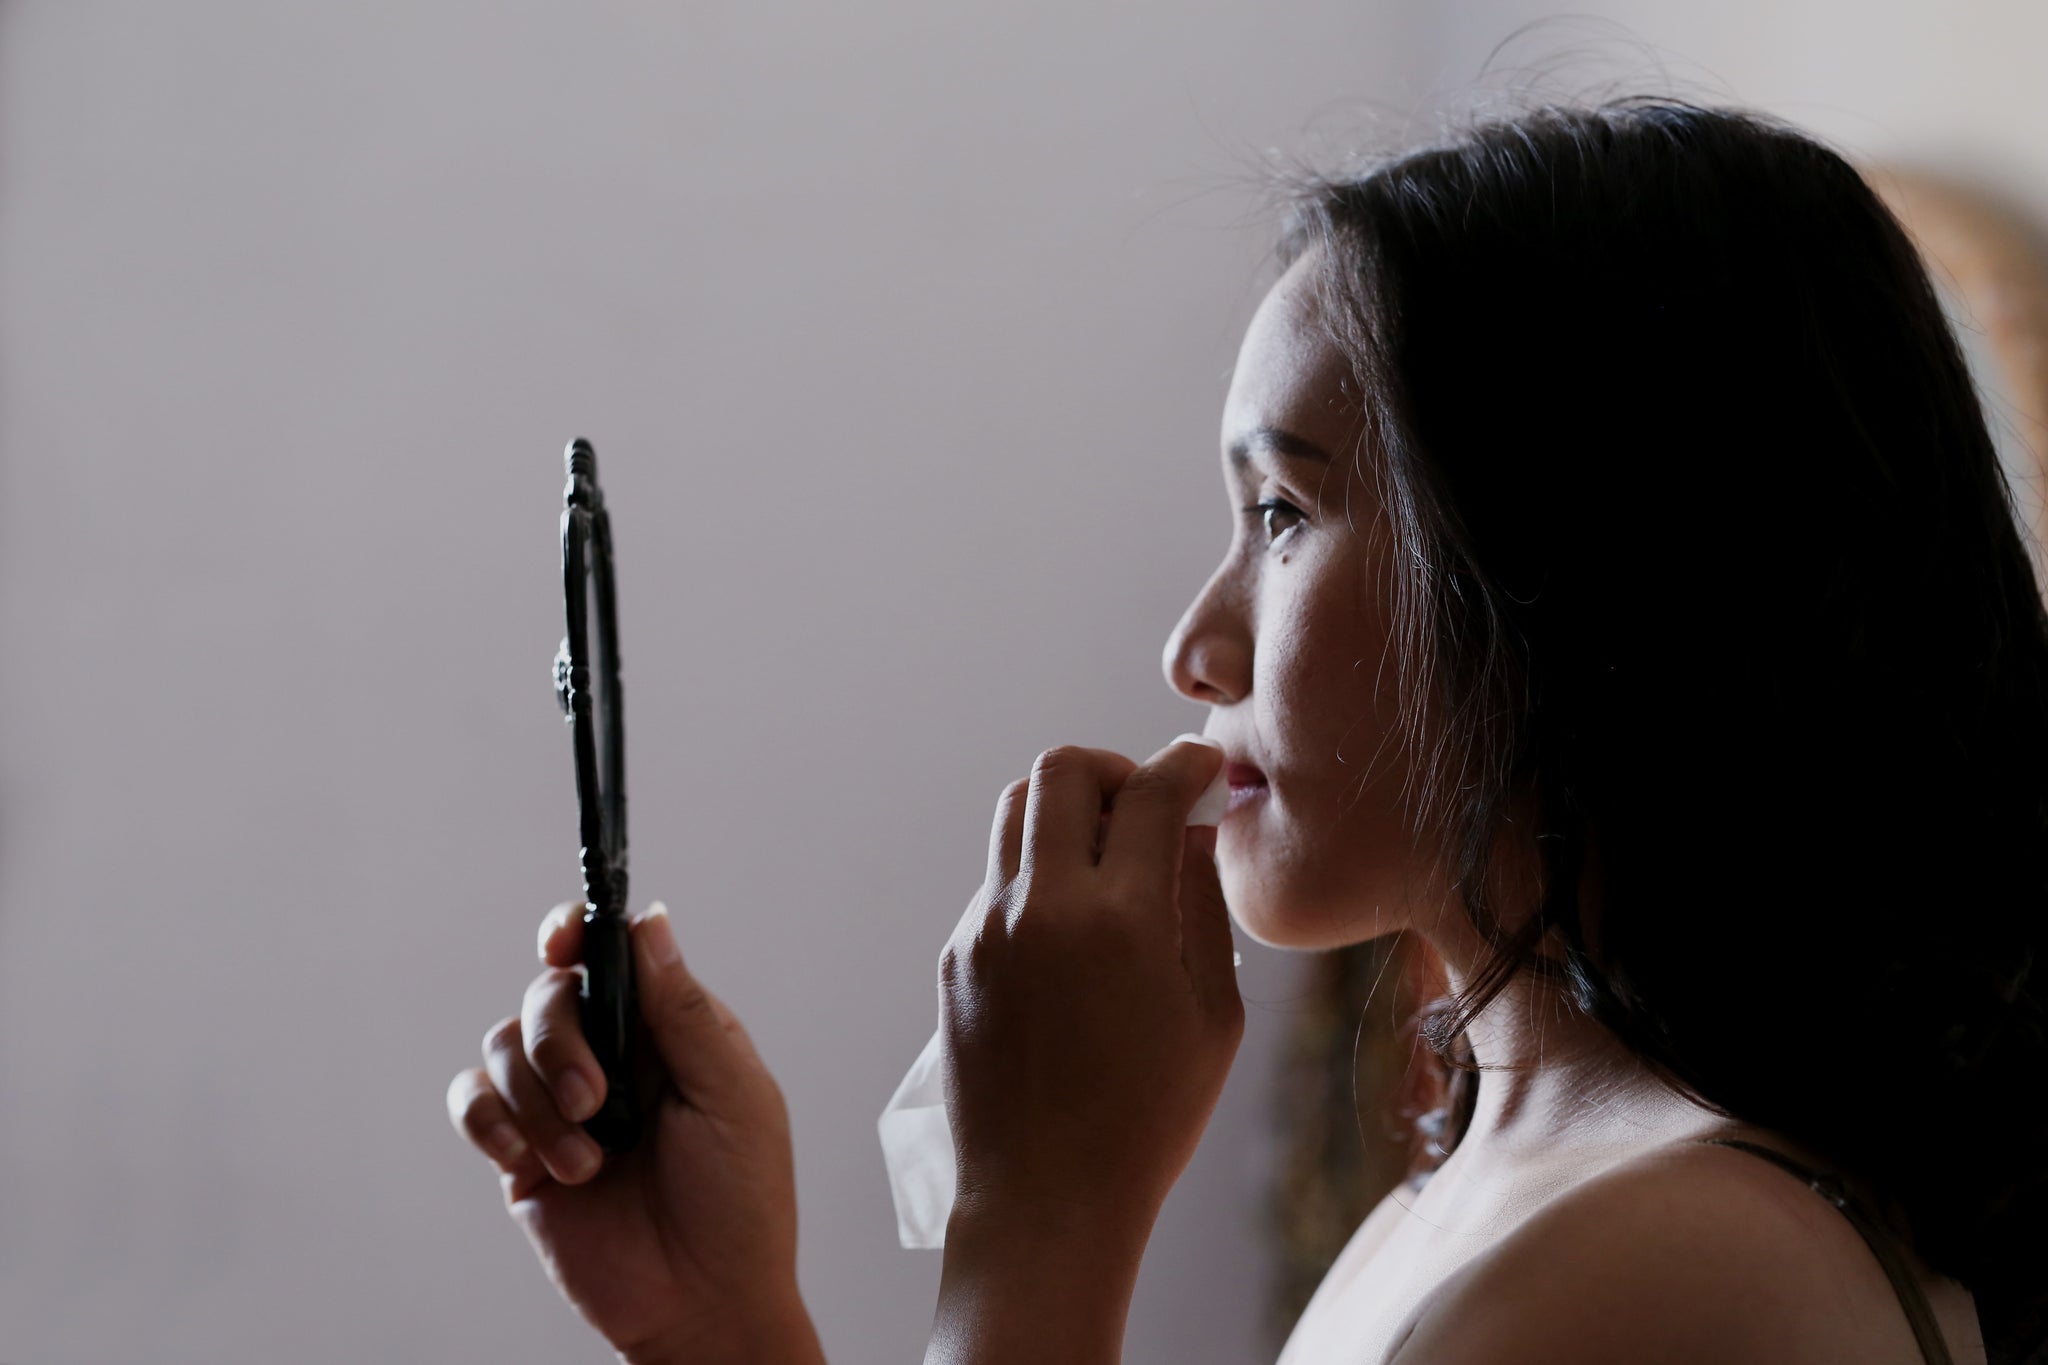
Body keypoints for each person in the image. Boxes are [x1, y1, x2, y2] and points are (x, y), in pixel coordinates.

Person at [446, 99, 2048, 1365]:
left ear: (1578, 575)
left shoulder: (1684, 1269)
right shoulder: (1505, 1193)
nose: (1195, 642)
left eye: (1282, 512)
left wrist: (1046, 1214)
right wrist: (719, 1321)